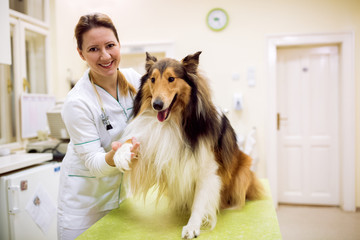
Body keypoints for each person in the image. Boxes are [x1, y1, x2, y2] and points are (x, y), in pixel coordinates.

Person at [57, 13, 140, 240]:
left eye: (110, 45)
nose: (105, 56)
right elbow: (94, 163)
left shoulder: (134, 80)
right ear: (81, 53)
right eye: (93, 49)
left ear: (119, 45)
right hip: (85, 207)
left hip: (123, 200)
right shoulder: (78, 102)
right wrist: (115, 155)